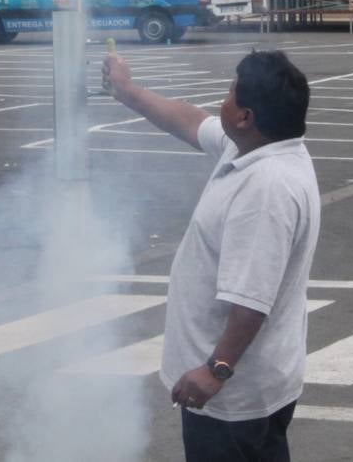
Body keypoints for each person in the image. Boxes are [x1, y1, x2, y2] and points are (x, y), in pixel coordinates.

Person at [101, 49, 320, 462]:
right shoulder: (259, 148)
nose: (223, 100)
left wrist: (214, 370)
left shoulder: (265, 189)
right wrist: (128, 92)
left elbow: (251, 303)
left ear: (246, 117)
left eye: (231, 93)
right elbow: (189, 120)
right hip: (251, 386)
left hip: (232, 400)